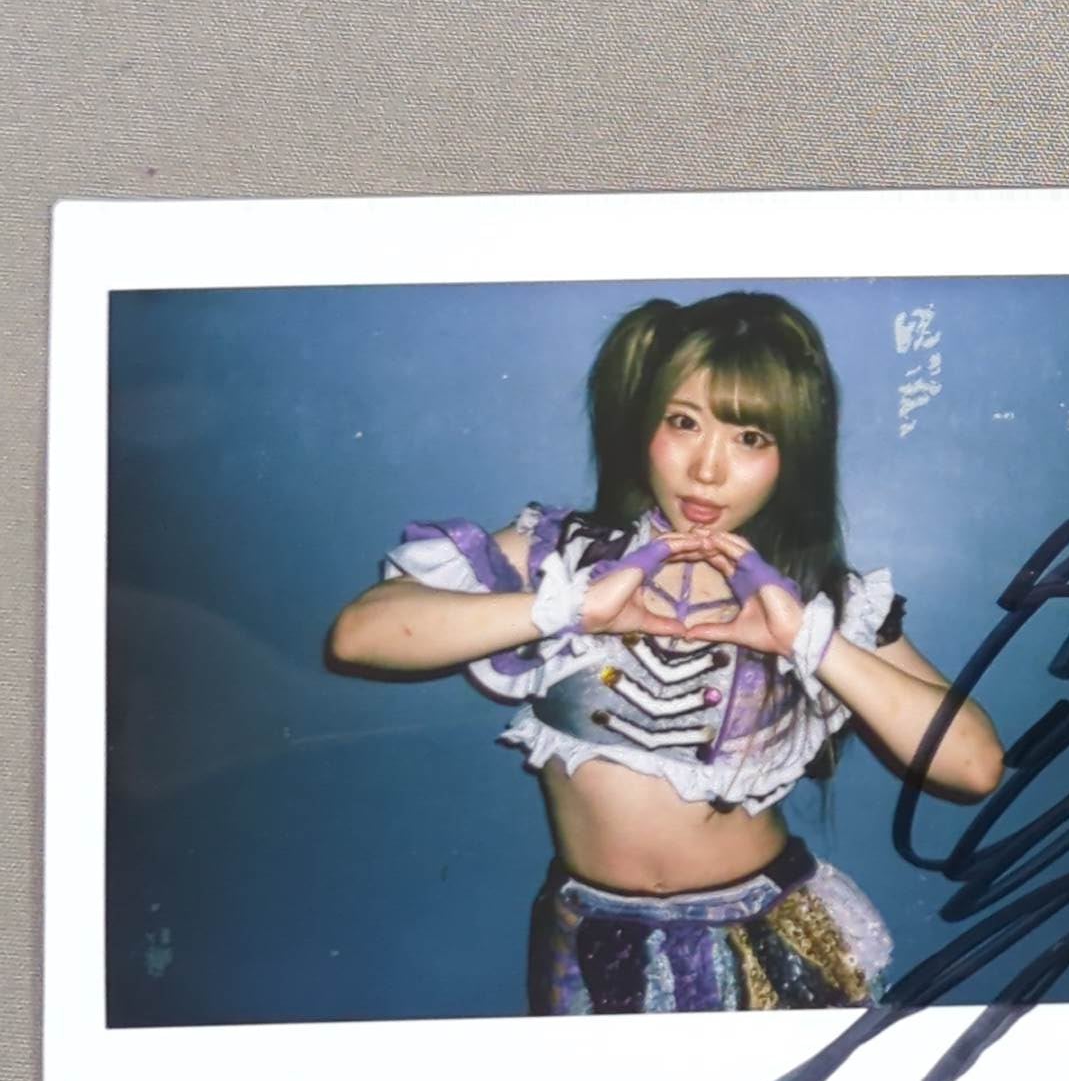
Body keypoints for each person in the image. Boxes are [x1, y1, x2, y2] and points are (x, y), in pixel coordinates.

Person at [330, 291, 1003, 1015]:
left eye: (750, 438)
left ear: (793, 454)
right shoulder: (562, 554)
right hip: (587, 944)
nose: (707, 469)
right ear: (644, 421)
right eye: (684, 423)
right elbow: (359, 635)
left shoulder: (820, 596)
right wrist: (568, 608)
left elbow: (974, 768)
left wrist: (807, 641)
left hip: (770, 941)